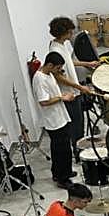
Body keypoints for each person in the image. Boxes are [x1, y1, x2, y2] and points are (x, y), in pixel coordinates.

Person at [47, 17, 98, 149]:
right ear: (63, 33)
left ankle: (80, 146)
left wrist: (87, 63)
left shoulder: (61, 45)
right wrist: (80, 87)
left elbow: (67, 62)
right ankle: (78, 150)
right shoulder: (55, 50)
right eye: (70, 32)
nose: (71, 34)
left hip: (75, 91)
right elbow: (58, 76)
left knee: (79, 121)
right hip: (69, 94)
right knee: (76, 125)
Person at [34, 52, 77, 187]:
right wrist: (61, 98)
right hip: (53, 120)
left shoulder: (49, 74)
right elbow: (44, 101)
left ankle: (63, 171)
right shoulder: (39, 79)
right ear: (50, 65)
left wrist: (62, 95)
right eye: (58, 68)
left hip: (60, 116)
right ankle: (62, 178)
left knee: (64, 147)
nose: (59, 71)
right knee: (61, 150)